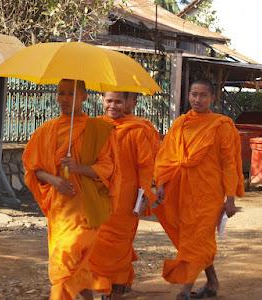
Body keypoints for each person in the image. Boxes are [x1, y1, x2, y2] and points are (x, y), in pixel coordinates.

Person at [22, 79, 119, 300]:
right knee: (74, 263)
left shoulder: (98, 130)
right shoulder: (46, 131)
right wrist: (54, 180)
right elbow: (32, 168)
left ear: (84, 97)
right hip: (61, 209)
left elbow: (108, 168)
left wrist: (79, 168)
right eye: (61, 93)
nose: (65, 99)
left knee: (66, 257)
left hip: (87, 207)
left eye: (71, 94)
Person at [153, 79, 245, 300]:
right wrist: (162, 184)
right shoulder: (180, 124)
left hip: (209, 193)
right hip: (182, 189)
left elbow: (228, 164)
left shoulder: (221, 125)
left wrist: (230, 198)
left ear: (212, 98)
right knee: (193, 240)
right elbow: (167, 157)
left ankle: (185, 289)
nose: (198, 99)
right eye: (194, 94)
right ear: (189, 96)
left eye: (203, 95)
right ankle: (212, 282)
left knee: (198, 239)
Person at [89, 91, 158, 299]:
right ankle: (106, 286)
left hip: (126, 197)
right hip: (98, 195)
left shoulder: (137, 129)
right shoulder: (94, 127)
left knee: (120, 245)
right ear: (102, 100)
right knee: (97, 244)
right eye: (109, 100)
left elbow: (145, 165)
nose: (113, 105)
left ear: (128, 102)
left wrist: (145, 190)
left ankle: (115, 291)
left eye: (118, 101)